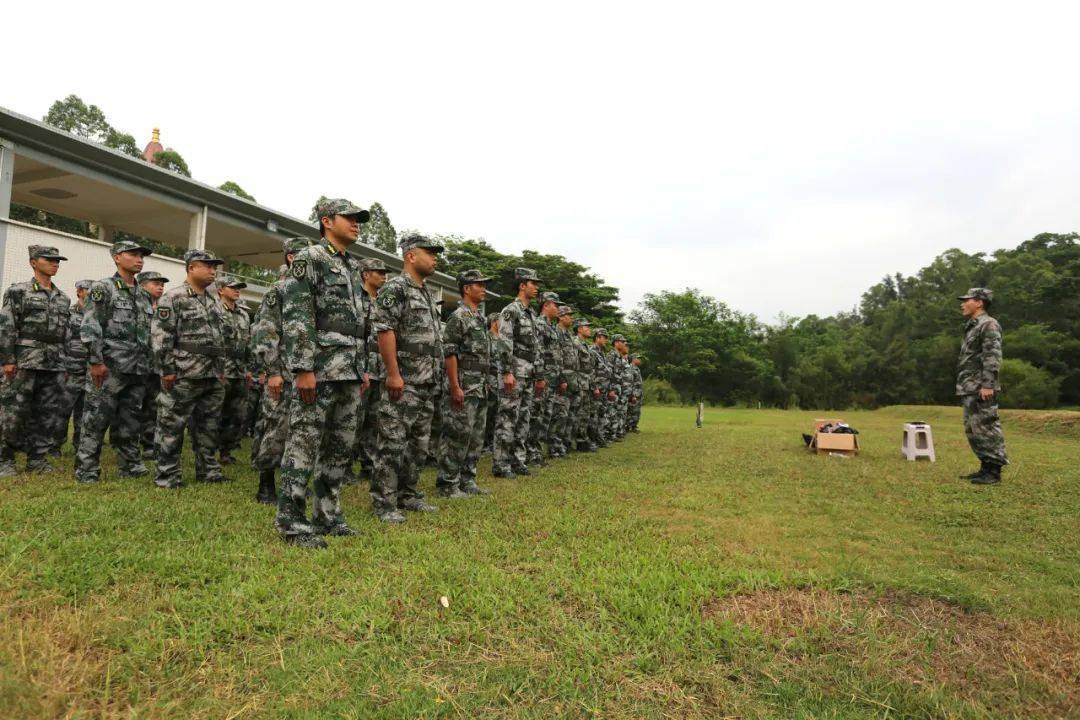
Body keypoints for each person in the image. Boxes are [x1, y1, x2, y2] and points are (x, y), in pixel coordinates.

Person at [276, 199, 371, 547]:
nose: (356, 224)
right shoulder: (310, 258)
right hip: (319, 369)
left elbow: (359, 323)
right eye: (350, 218)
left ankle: (328, 514)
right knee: (303, 443)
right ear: (327, 221)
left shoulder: (351, 265)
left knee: (339, 447)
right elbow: (299, 315)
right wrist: (303, 368)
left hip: (349, 370)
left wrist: (362, 368)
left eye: (359, 220)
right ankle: (292, 522)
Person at [370, 233, 445, 523]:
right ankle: (384, 502)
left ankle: (408, 494)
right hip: (404, 378)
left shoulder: (426, 291)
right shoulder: (396, 288)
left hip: (426, 379)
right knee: (392, 441)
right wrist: (392, 374)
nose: (435, 257)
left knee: (419, 443)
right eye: (429, 252)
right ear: (410, 256)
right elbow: (384, 330)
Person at [75, 240, 155, 484]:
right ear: (117, 257)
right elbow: (90, 325)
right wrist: (95, 362)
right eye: (133, 254)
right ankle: (87, 469)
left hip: (137, 368)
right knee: (96, 419)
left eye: (142, 255)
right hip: (110, 367)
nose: (139, 259)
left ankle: (129, 464)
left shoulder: (142, 294)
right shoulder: (103, 288)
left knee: (131, 420)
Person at [151, 249, 228, 488]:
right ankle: (167, 475)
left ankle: (209, 471)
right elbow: (161, 337)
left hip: (212, 374)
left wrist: (221, 369)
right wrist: (168, 369)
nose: (213, 270)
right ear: (192, 268)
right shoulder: (173, 297)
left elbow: (219, 337)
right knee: (171, 425)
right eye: (207, 266)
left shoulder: (214, 299)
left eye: (214, 266)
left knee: (208, 426)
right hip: (184, 372)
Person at [0, 245, 71, 476]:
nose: (55, 263)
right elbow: (7, 327)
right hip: (24, 361)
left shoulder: (63, 298)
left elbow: (65, 334)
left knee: (47, 413)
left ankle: (37, 459)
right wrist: (7, 360)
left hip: (54, 363)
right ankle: (5, 459)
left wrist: (66, 362)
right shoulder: (18, 292)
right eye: (49, 259)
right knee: (13, 411)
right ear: (33, 262)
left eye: (57, 260)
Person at [250, 238, 310, 504]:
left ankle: (294, 483)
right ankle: (265, 484)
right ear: (291, 258)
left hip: (308, 373)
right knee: (277, 428)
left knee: (303, 432)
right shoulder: (279, 290)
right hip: (283, 373)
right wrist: (273, 371)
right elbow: (265, 331)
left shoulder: (312, 290)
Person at [436, 269, 497, 498]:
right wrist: (454, 386)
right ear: (466, 289)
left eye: (484, 284)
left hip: (480, 385)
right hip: (464, 383)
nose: (483, 288)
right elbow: (450, 353)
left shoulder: (480, 318)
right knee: (456, 434)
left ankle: (467, 479)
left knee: (475, 437)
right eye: (478, 284)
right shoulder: (458, 317)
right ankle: (448, 483)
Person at [493, 268, 544, 478]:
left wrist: (539, 375)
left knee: (523, 417)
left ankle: (517, 460)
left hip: (529, 374)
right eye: (533, 283)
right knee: (507, 417)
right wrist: (506, 372)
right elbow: (505, 342)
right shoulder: (510, 311)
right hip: (514, 373)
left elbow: (536, 347)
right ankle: (501, 464)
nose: (536, 287)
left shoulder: (531, 314)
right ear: (522, 285)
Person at [956, 288, 1008, 485]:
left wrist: (988, 384)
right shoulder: (973, 325)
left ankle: (994, 472)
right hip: (970, 385)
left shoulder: (989, 324)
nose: (963, 303)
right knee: (974, 428)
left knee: (987, 426)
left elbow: (992, 357)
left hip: (981, 386)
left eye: (966, 300)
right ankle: (985, 467)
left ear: (979, 302)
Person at [354, 257, 388, 482]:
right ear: (366, 274)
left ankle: (368, 464)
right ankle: (345, 467)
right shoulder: (355, 297)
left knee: (374, 422)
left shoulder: (384, 302)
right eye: (379, 271)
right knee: (354, 420)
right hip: (360, 370)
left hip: (380, 371)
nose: (384, 275)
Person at [216, 275, 252, 465]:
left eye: (239, 287)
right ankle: (207, 452)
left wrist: (249, 368)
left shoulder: (244, 314)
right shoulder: (214, 310)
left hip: (239, 370)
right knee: (214, 412)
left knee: (236, 414)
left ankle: (226, 452)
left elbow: (248, 344)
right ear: (221, 290)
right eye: (233, 287)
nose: (237, 290)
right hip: (221, 368)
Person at [54, 279, 92, 454]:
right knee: (63, 409)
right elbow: (61, 341)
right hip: (71, 369)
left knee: (85, 412)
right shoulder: (69, 314)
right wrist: (63, 366)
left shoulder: (98, 315)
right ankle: (54, 445)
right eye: (88, 290)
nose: (91, 293)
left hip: (91, 370)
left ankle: (81, 445)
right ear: (79, 292)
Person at [136, 270, 168, 458]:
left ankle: (149, 443)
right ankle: (126, 442)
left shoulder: (164, 307)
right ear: (142, 285)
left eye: (162, 283)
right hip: (136, 365)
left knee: (154, 406)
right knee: (133, 406)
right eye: (155, 283)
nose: (160, 286)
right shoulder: (135, 305)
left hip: (157, 367)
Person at [527, 291, 562, 465]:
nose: (558, 309)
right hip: (543, 378)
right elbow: (538, 352)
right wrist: (540, 376)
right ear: (546, 305)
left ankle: (537, 451)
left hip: (552, 379)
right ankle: (531, 453)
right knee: (537, 415)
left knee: (546, 416)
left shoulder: (552, 327)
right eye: (556, 305)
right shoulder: (539, 324)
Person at [550, 305, 579, 456]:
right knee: (559, 414)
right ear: (560, 317)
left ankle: (562, 443)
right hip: (562, 379)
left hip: (572, 380)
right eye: (568, 315)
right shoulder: (557, 333)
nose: (571, 318)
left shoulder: (568, 335)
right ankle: (554, 446)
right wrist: (561, 378)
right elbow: (557, 357)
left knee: (567, 415)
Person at [572, 318, 599, 452]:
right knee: (577, 413)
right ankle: (576, 441)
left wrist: (593, 386)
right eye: (586, 327)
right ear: (579, 329)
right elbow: (573, 365)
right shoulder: (575, 343)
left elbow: (590, 369)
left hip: (586, 384)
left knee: (585, 414)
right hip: (578, 383)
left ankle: (582, 441)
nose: (589, 329)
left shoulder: (585, 345)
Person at [590, 328, 615, 448]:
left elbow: (607, 373)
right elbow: (590, 371)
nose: (605, 340)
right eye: (604, 337)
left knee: (602, 415)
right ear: (597, 337)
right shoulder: (592, 351)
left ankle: (600, 438)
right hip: (597, 390)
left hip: (604, 390)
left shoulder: (602, 353)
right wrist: (594, 387)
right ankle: (592, 440)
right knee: (593, 416)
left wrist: (610, 389)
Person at [627, 353, 643, 432]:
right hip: (634, 394)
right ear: (633, 359)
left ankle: (634, 426)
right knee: (632, 410)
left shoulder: (637, 368)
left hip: (638, 393)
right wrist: (632, 395)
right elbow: (630, 382)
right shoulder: (631, 368)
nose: (639, 360)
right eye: (638, 358)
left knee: (636, 411)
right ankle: (629, 426)